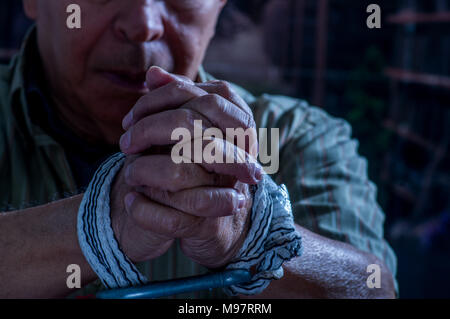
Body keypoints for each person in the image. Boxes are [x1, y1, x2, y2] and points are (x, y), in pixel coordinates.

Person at [0, 0, 396, 298]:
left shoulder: (293, 136)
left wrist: (248, 231)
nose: (143, 24)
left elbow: (375, 288)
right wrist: (101, 223)